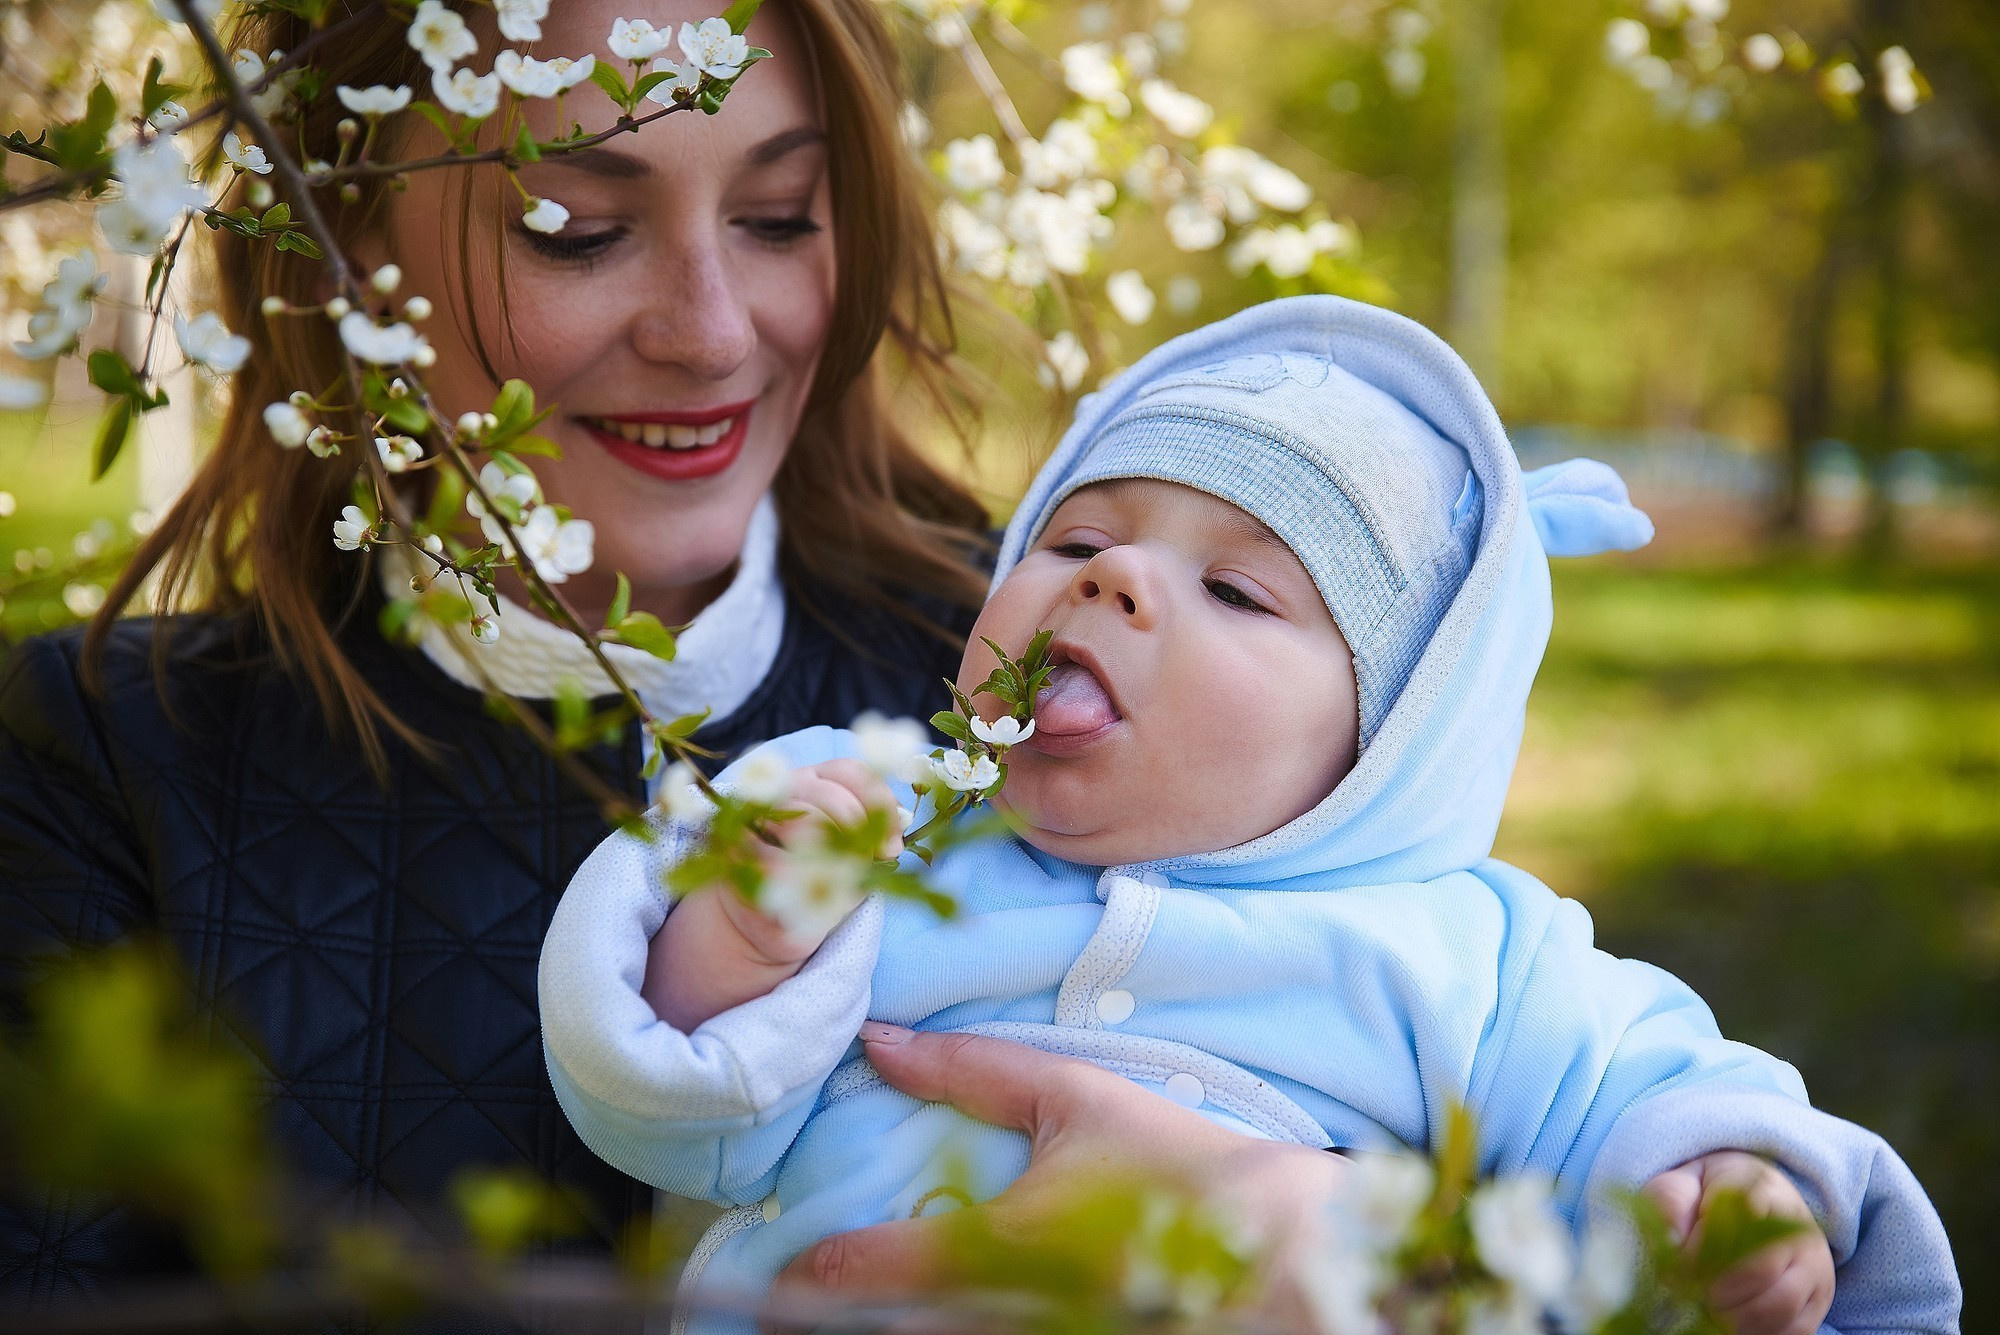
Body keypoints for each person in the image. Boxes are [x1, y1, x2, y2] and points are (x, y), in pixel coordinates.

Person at [540, 298, 1961, 1333]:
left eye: (1239, 591)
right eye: (1078, 541)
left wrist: (1737, 1190)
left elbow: (1655, 1084)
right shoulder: (888, 832)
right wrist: (738, 935)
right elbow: (672, 1114)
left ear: (1392, 739)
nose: (1114, 585)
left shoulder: (1464, 958)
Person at [0, 0, 997, 1299]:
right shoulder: (101, 770)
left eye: (780, 217)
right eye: (574, 232)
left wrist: (1287, 1221)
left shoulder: (1035, 695)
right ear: (343, 242)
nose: (711, 334)